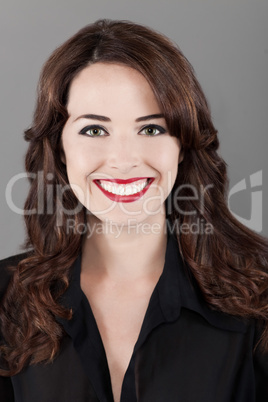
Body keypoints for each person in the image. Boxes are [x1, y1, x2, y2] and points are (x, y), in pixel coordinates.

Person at [0, 19, 267, 402]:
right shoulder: (5, 299)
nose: (124, 161)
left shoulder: (261, 297)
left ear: (183, 144)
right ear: (59, 148)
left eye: (151, 129)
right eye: (94, 130)